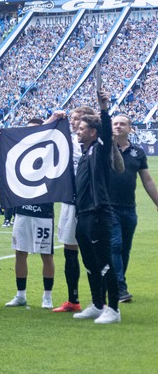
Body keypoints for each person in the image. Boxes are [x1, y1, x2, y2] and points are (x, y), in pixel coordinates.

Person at [72, 92, 123, 324]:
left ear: (93, 132)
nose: (78, 131)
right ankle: (97, 303)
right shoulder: (85, 154)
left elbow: (105, 129)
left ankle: (113, 309)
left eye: (82, 128)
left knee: (104, 262)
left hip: (98, 213)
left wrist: (104, 108)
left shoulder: (99, 149)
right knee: (90, 263)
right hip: (82, 215)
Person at [4, 115, 61, 310]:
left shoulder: (51, 152)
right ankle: (21, 295)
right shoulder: (20, 151)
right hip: (22, 211)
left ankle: (47, 296)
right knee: (20, 253)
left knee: (46, 255)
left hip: (44, 212)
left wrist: (53, 120)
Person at [110, 113, 158, 303]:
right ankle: (120, 288)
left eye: (123, 124)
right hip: (109, 207)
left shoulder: (138, 152)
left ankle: (119, 282)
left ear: (130, 129)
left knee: (125, 249)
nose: (118, 126)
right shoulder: (104, 149)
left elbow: (147, 180)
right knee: (115, 245)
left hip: (129, 208)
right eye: (115, 124)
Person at [53, 105, 94, 313]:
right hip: (70, 202)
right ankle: (73, 300)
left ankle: (100, 300)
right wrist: (53, 118)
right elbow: (38, 137)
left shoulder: (95, 144)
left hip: (90, 204)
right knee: (70, 252)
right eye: (73, 118)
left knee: (93, 253)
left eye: (79, 119)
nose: (74, 122)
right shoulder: (67, 140)